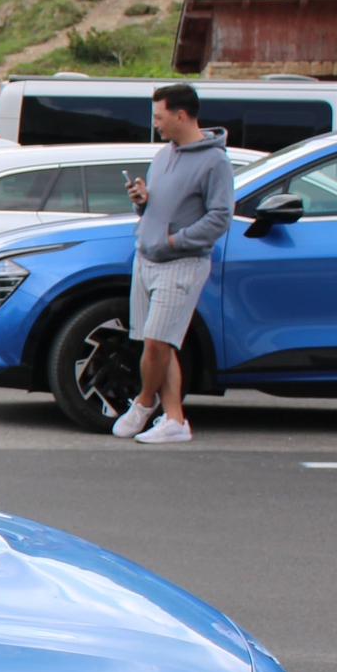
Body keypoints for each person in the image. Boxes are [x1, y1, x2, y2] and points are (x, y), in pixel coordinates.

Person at [114, 83, 233, 445]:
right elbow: (158, 207)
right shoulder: (164, 154)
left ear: (181, 115)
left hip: (181, 264)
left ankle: (144, 403)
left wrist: (173, 241)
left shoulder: (215, 161)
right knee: (160, 343)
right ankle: (175, 421)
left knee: (156, 344)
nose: (156, 124)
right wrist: (141, 201)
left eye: (160, 117)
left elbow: (220, 217)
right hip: (147, 258)